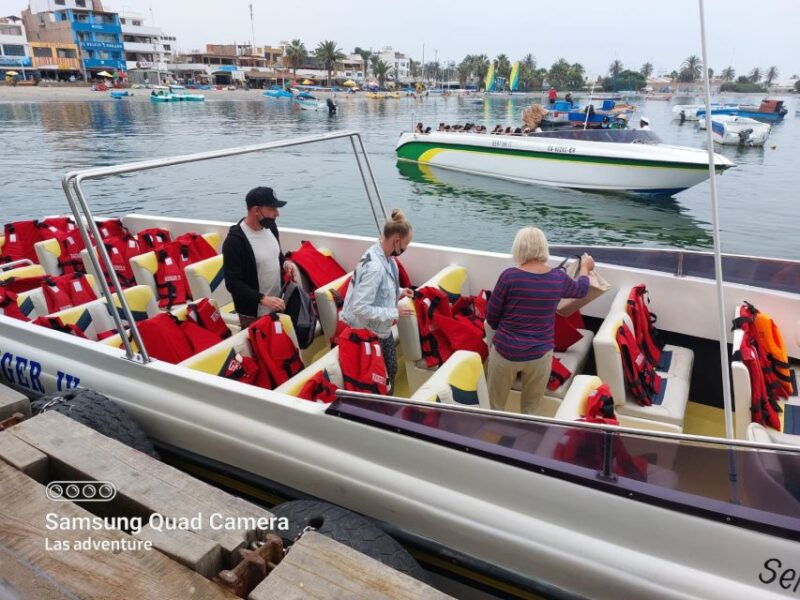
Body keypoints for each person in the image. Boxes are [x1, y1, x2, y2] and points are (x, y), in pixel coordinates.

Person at [485, 227, 594, 414]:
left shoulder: (509, 276)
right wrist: (585, 268)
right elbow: (581, 290)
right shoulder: (558, 278)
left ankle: (491, 436)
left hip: (505, 352)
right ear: (543, 248)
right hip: (540, 355)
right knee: (531, 410)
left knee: (494, 407)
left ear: (518, 248)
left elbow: (492, 318)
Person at [340, 209, 414, 392]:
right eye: (406, 244)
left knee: (391, 368)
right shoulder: (375, 267)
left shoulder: (385, 256)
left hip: (381, 327)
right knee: (382, 376)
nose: (406, 249)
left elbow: (381, 288)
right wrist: (395, 312)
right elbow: (360, 307)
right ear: (396, 241)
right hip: (368, 330)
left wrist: (399, 291)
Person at [222, 187, 297, 329]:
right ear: (256, 210)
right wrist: (263, 299)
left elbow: (277, 254)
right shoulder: (234, 242)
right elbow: (232, 283)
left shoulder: (271, 227)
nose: (277, 214)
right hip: (254, 314)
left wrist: (285, 262)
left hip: (278, 304)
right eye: (272, 209)